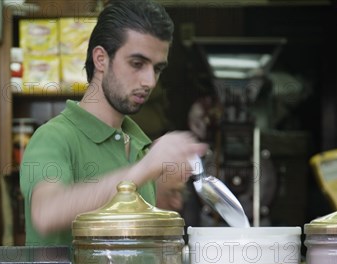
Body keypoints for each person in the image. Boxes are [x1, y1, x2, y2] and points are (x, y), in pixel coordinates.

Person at [19, 0, 207, 246]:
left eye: (157, 68)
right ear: (101, 59)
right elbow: (46, 213)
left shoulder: (140, 146)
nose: (150, 81)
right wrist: (144, 169)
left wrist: (166, 185)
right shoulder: (53, 137)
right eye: (137, 64)